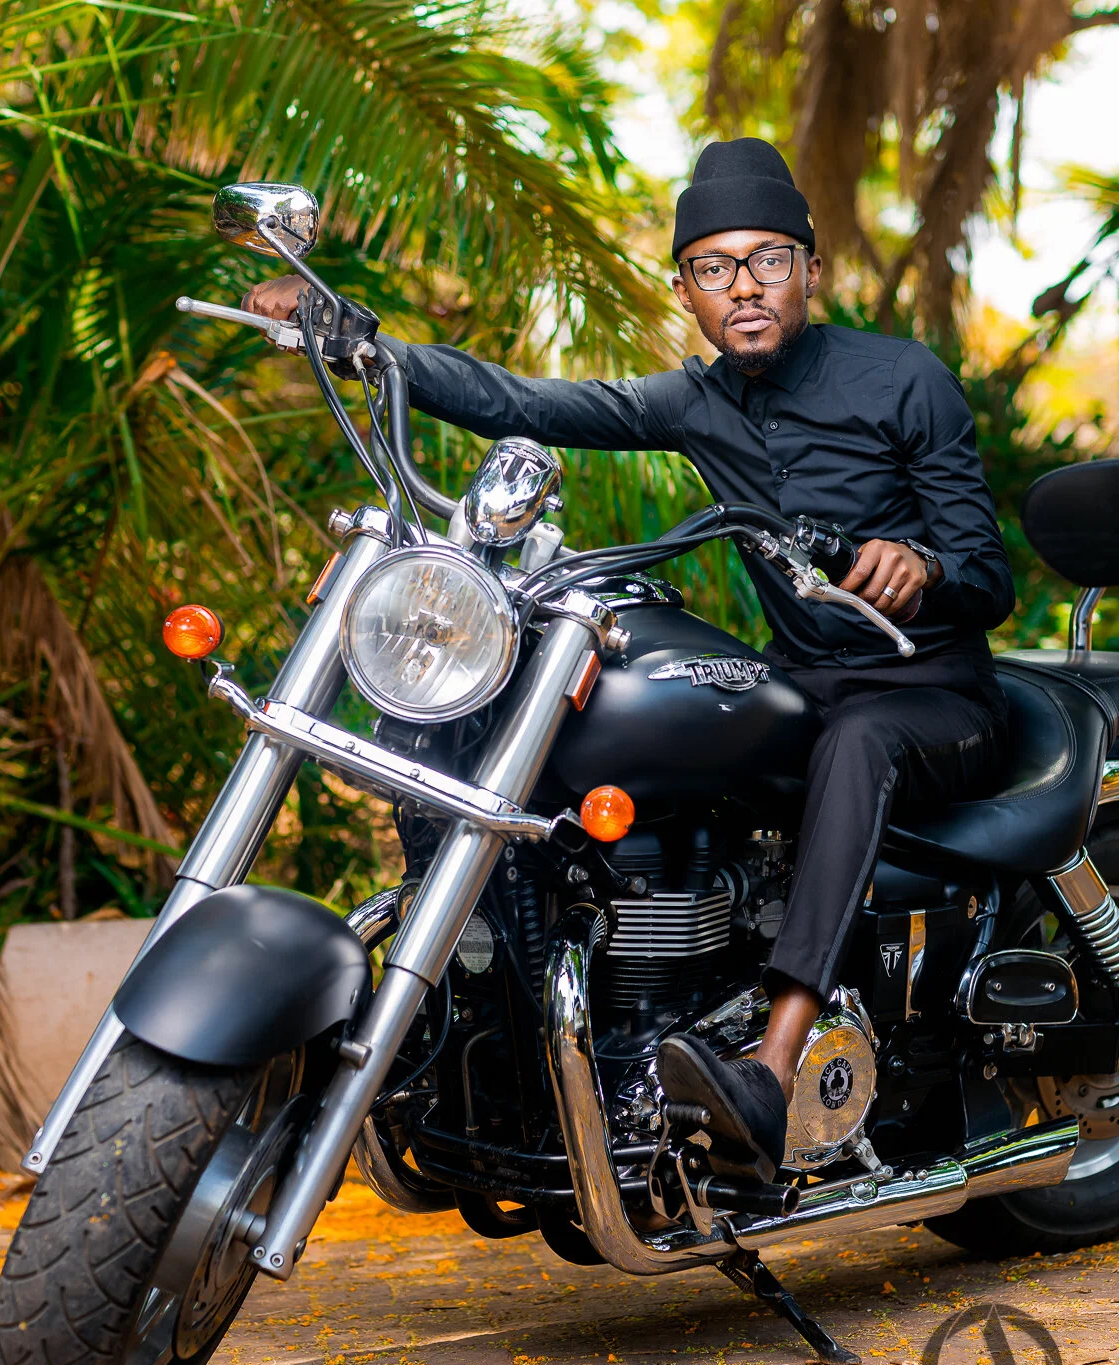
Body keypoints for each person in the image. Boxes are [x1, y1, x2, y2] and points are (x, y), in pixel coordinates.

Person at [245, 137, 1014, 1184]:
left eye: (768, 261)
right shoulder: (691, 404)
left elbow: (986, 572)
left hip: (932, 693)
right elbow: (524, 402)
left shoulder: (902, 378)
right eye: (714, 268)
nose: (744, 289)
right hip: (810, 693)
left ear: (810, 268)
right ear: (687, 291)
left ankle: (773, 1072)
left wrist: (919, 564)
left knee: (862, 739)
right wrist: (372, 353)